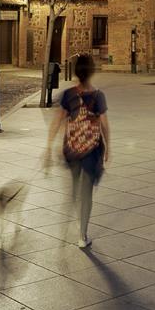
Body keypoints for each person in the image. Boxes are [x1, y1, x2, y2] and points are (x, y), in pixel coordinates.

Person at [47, 53, 110, 249]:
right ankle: (82, 234)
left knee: (75, 187)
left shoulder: (68, 95)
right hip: (92, 150)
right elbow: (104, 124)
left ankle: (76, 219)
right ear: (91, 72)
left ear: (76, 72)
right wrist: (108, 147)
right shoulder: (98, 96)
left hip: (71, 148)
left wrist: (49, 146)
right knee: (87, 192)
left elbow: (58, 121)